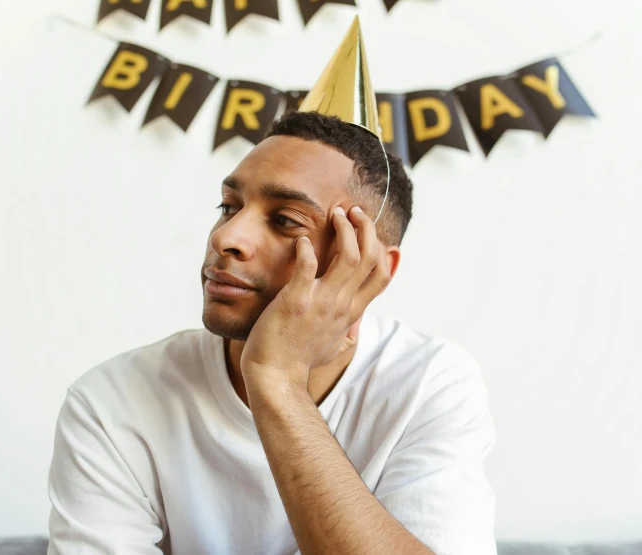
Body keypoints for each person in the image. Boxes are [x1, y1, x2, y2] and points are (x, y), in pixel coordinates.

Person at [48, 18, 497, 555]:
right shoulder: (113, 401)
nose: (227, 237)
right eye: (228, 206)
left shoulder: (430, 384)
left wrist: (277, 380)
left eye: (285, 220)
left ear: (371, 265)